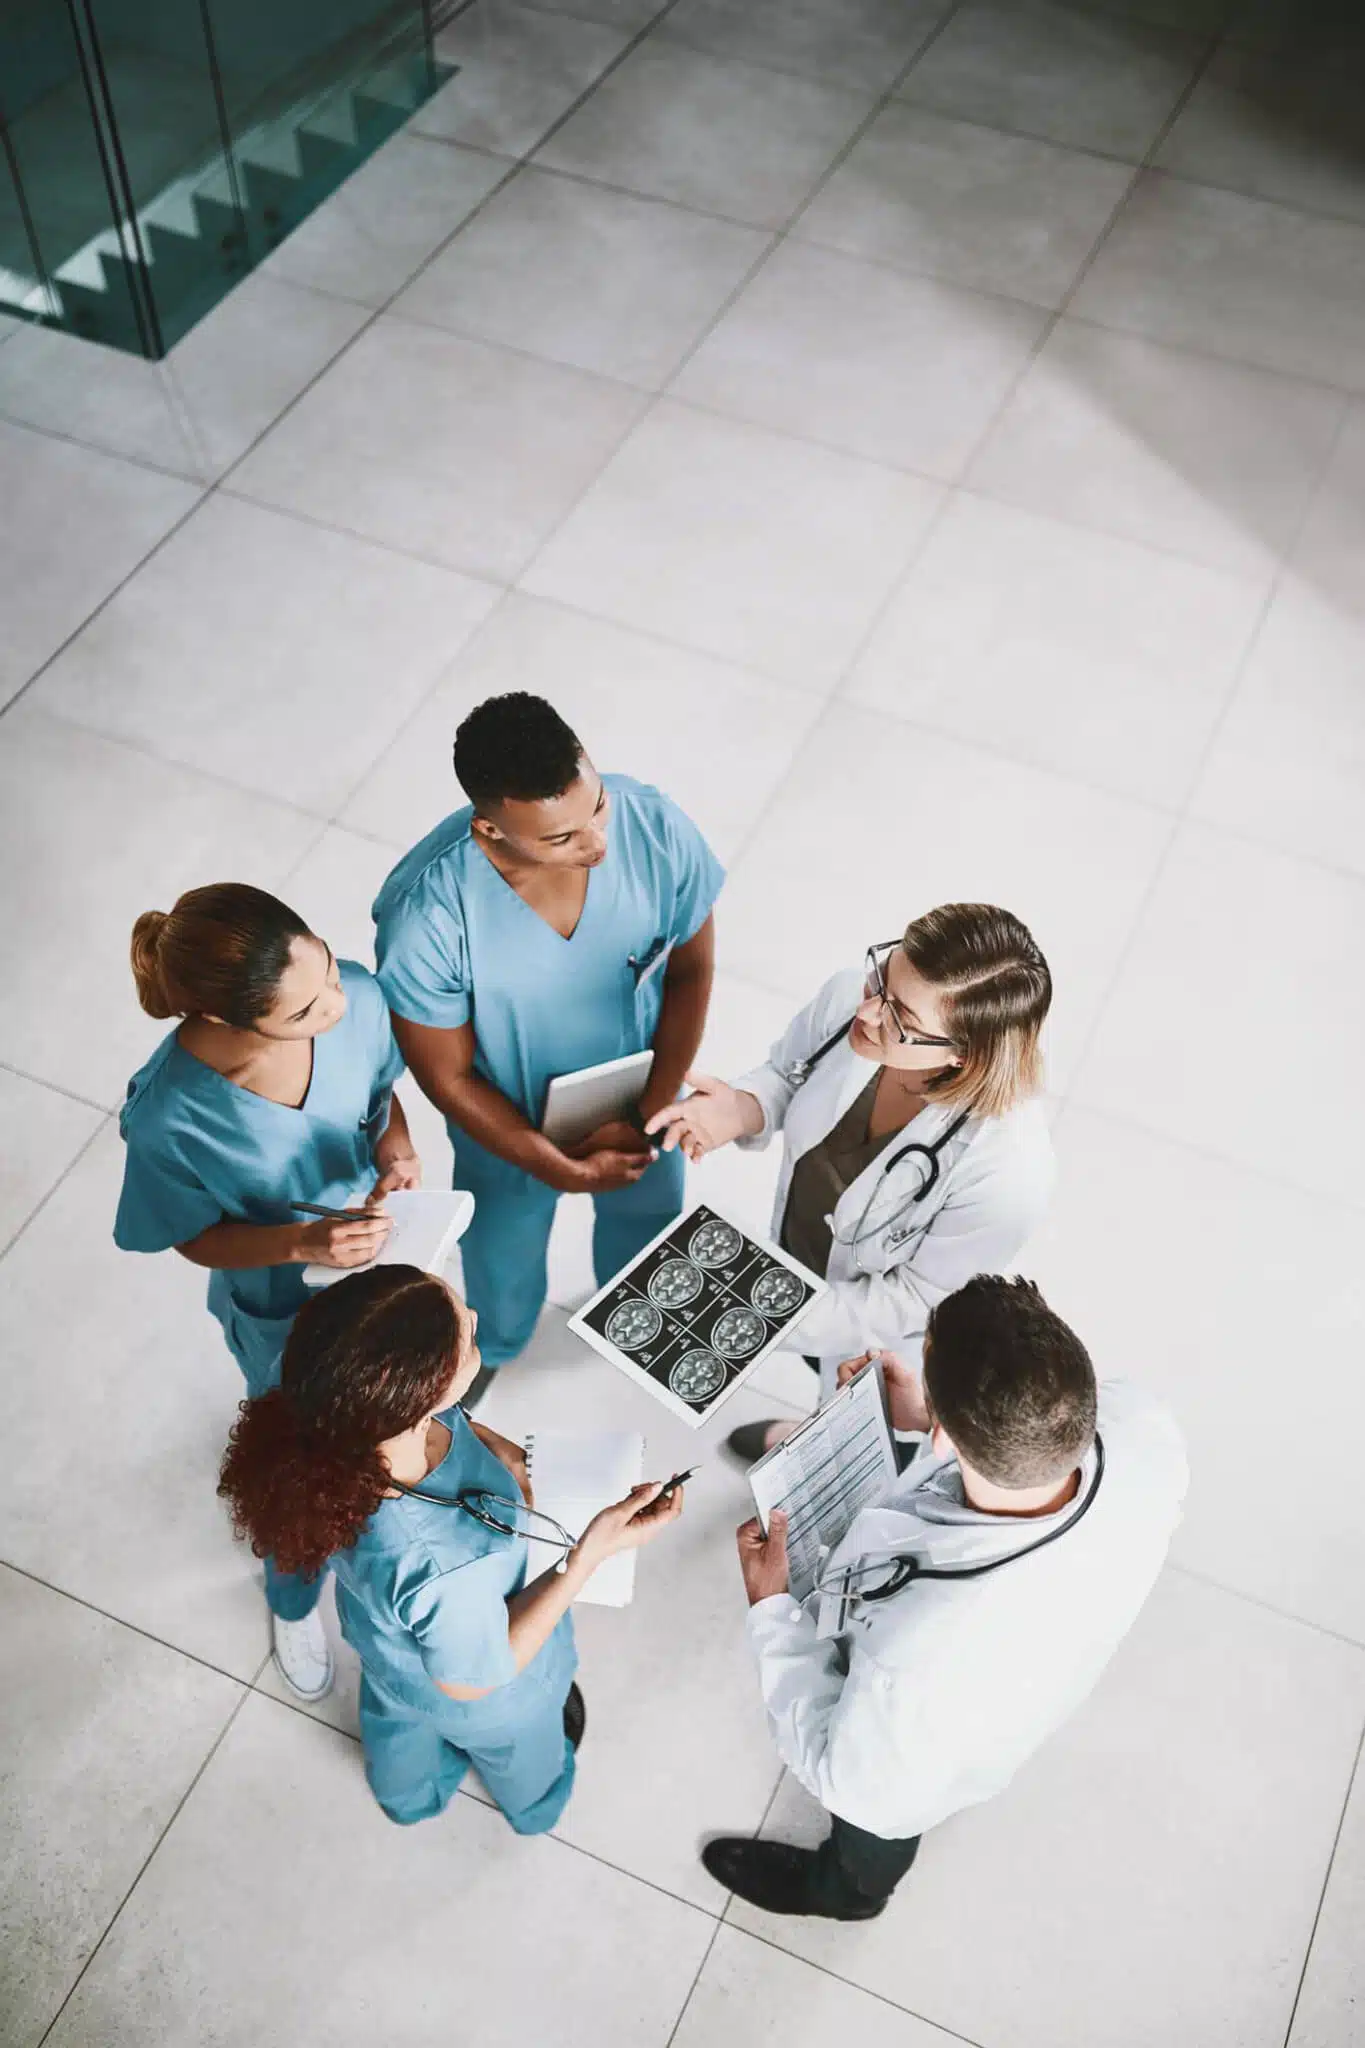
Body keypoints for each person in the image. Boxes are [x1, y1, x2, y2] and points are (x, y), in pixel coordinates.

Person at [702, 1276, 1187, 1919]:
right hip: (1052, 1647)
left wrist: (771, 1611)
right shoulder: (1144, 1424)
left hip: (933, 1741)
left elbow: (844, 1778)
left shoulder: (921, 1661)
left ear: (944, 1443)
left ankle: (848, 1894)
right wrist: (940, 1413)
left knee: (877, 1832)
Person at [218, 1265, 684, 1830]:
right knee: (522, 1753)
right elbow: (472, 1677)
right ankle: (534, 1808)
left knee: (399, 1739)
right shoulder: (443, 1563)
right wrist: (588, 1555)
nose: (474, 1320)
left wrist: (493, 1449)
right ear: (418, 1402)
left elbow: (444, 1424)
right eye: (465, 1336)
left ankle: (409, 1798)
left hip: (388, 1658)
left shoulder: (313, 1398)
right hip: (482, 1696)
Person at [113, 883, 419, 1703]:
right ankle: (290, 1596)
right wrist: (303, 1242)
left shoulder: (353, 992)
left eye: (325, 971)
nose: (335, 1003)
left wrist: (397, 1151)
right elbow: (188, 1236)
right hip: (284, 1299)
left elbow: (380, 1096)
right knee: (302, 1462)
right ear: (224, 1021)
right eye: (303, 1011)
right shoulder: (173, 1117)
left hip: (384, 1251)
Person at [372, 692, 724, 1403]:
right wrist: (550, 1163)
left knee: (648, 1218)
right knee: (501, 1254)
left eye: (593, 809)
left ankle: (636, 1323)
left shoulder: (653, 826)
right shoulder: (427, 914)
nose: (595, 843)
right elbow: (447, 1076)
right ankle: (495, 1345)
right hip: (505, 1128)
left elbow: (692, 969)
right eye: (559, 839)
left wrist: (652, 1109)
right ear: (488, 831)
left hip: (645, 1098)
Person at [647, 904, 1056, 1462]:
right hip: (805, 1254)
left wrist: (772, 1314)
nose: (865, 1012)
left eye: (900, 1020)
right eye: (883, 978)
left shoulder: (1007, 1171)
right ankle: (813, 1423)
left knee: (865, 1427)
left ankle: (831, 1449)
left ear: (963, 1056)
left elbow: (913, 1299)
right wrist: (742, 1108)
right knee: (821, 1376)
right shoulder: (853, 1000)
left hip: (892, 1337)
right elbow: (787, 1074)